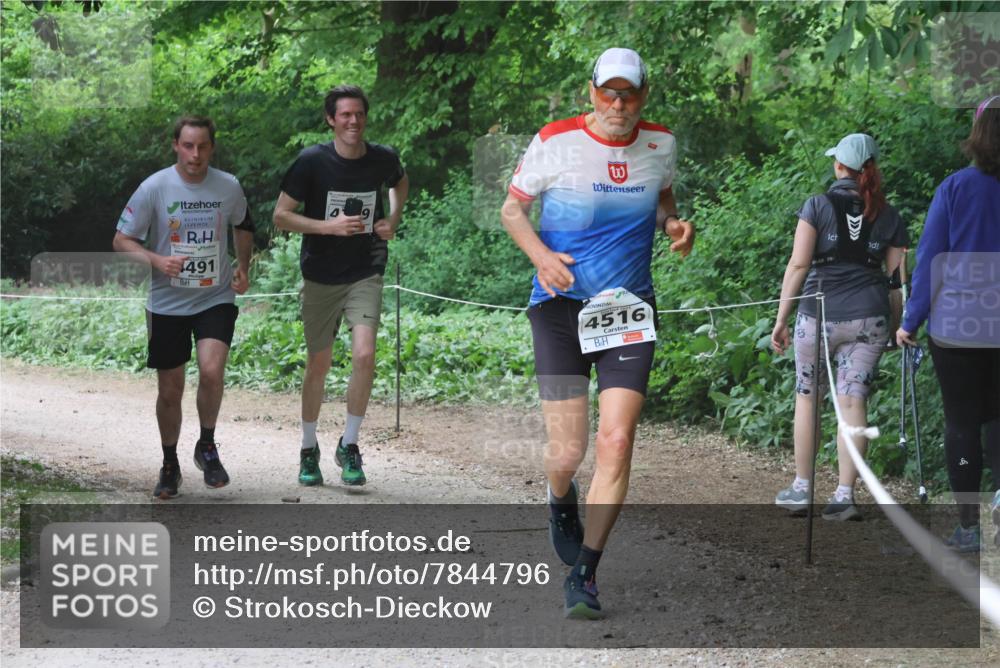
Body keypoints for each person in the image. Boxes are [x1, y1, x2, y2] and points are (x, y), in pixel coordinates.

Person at [501, 47, 694, 619]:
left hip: (627, 311)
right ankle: (561, 496)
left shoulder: (660, 144)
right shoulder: (555, 139)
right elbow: (513, 210)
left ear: (644, 95)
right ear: (591, 92)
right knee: (568, 450)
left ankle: (585, 572)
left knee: (616, 440)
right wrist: (540, 256)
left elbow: (662, 197)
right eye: (607, 91)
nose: (617, 103)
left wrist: (673, 225)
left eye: (628, 93)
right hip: (560, 308)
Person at [273, 85, 408, 488]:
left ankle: (349, 444)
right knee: (319, 363)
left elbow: (400, 183)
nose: (353, 121)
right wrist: (326, 227)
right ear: (331, 119)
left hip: (366, 269)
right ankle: (309, 447)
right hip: (320, 275)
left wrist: (393, 219)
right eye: (345, 115)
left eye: (359, 114)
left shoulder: (382, 158)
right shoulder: (312, 162)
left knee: (365, 354)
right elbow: (281, 216)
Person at [113, 115, 253, 499]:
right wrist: (158, 261)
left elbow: (244, 224)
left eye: (203, 146)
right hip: (167, 301)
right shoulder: (154, 188)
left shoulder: (228, 186)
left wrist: (243, 266)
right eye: (188, 146)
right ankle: (170, 462)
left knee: (211, 370)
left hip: (215, 296)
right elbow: (121, 240)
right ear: (175, 144)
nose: (195, 154)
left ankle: (207, 446)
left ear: (212, 147)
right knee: (170, 389)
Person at [771, 133, 908, 521]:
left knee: (807, 396)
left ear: (838, 167)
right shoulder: (891, 216)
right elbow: (897, 283)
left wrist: (781, 319)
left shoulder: (817, 205)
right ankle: (845, 496)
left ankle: (802, 490)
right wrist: (895, 329)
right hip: (870, 319)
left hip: (818, 314)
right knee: (853, 401)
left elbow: (798, 265)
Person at [897, 95, 1000, 552]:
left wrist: (910, 318)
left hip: (957, 327)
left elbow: (929, 262)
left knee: (962, 422)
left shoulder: (954, 189)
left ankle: (968, 527)